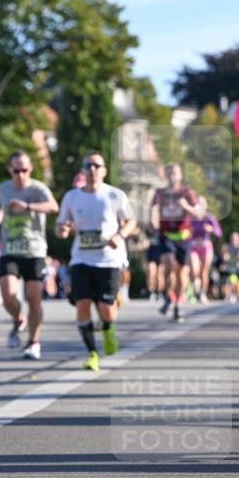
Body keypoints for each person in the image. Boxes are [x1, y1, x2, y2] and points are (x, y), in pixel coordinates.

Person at [56, 151, 136, 371]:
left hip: (108, 259)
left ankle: (109, 328)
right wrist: (62, 230)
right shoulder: (71, 197)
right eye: (87, 165)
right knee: (82, 304)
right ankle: (92, 353)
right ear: (82, 170)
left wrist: (119, 236)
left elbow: (130, 221)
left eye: (96, 166)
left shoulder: (115, 195)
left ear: (104, 171)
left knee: (106, 309)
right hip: (81, 258)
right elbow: (61, 225)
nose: (92, 169)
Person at [0, 150, 59, 359]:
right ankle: (18, 318)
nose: (20, 174)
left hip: (34, 250)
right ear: (10, 170)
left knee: (33, 297)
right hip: (9, 249)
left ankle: (33, 342)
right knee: (8, 294)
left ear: (30, 169)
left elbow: (54, 207)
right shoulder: (3, 189)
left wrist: (28, 206)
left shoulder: (38, 188)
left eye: (24, 170)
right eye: (16, 170)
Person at [150, 162, 202, 323]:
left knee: (181, 275)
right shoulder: (160, 193)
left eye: (175, 173)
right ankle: (167, 294)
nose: (172, 176)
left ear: (180, 175)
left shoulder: (187, 193)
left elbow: (199, 213)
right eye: (169, 173)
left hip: (184, 237)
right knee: (169, 265)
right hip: (166, 235)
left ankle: (177, 305)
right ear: (165, 175)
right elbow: (153, 209)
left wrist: (187, 206)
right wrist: (153, 221)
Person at [188, 196, 222, 303]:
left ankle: (202, 293)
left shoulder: (209, 218)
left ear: (205, 206)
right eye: (197, 203)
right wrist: (189, 231)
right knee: (194, 269)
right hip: (193, 246)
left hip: (206, 246)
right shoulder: (190, 218)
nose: (199, 205)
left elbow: (219, 233)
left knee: (204, 271)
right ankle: (195, 288)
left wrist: (211, 229)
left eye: (201, 203)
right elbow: (184, 232)